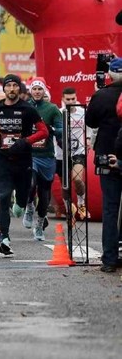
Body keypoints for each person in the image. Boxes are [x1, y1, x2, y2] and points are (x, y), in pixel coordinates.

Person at [0, 74, 47, 255]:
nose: (11, 89)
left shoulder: (27, 109)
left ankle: (21, 204)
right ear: (4, 89)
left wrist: (26, 141)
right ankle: (5, 238)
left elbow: (43, 131)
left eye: (15, 86)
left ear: (19, 89)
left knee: (23, 196)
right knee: (3, 196)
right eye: (8, 86)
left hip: (23, 161)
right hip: (3, 160)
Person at [86, 57, 122, 273]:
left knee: (110, 207)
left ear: (109, 74)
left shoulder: (101, 95)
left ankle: (109, 258)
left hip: (107, 156)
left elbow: (90, 121)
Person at [24, 78, 63, 240]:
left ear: (44, 91)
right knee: (30, 184)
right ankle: (29, 206)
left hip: (46, 156)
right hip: (30, 154)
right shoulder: (26, 107)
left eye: (40, 89)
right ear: (30, 91)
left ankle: (39, 224)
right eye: (34, 89)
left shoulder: (52, 109)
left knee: (44, 193)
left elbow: (61, 129)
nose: (37, 92)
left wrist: (52, 129)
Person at [57, 87, 88, 220]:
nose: (70, 101)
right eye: (67, 99)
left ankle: (81, 203)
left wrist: (88, 140)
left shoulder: (82, 112)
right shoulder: (59, 113)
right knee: (65, 185)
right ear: (63, 99)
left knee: (78, 179)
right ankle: (69, 209)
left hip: (78, 152)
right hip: (61, 154)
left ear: (76, 98)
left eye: (73, 99)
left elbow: (91, 128)